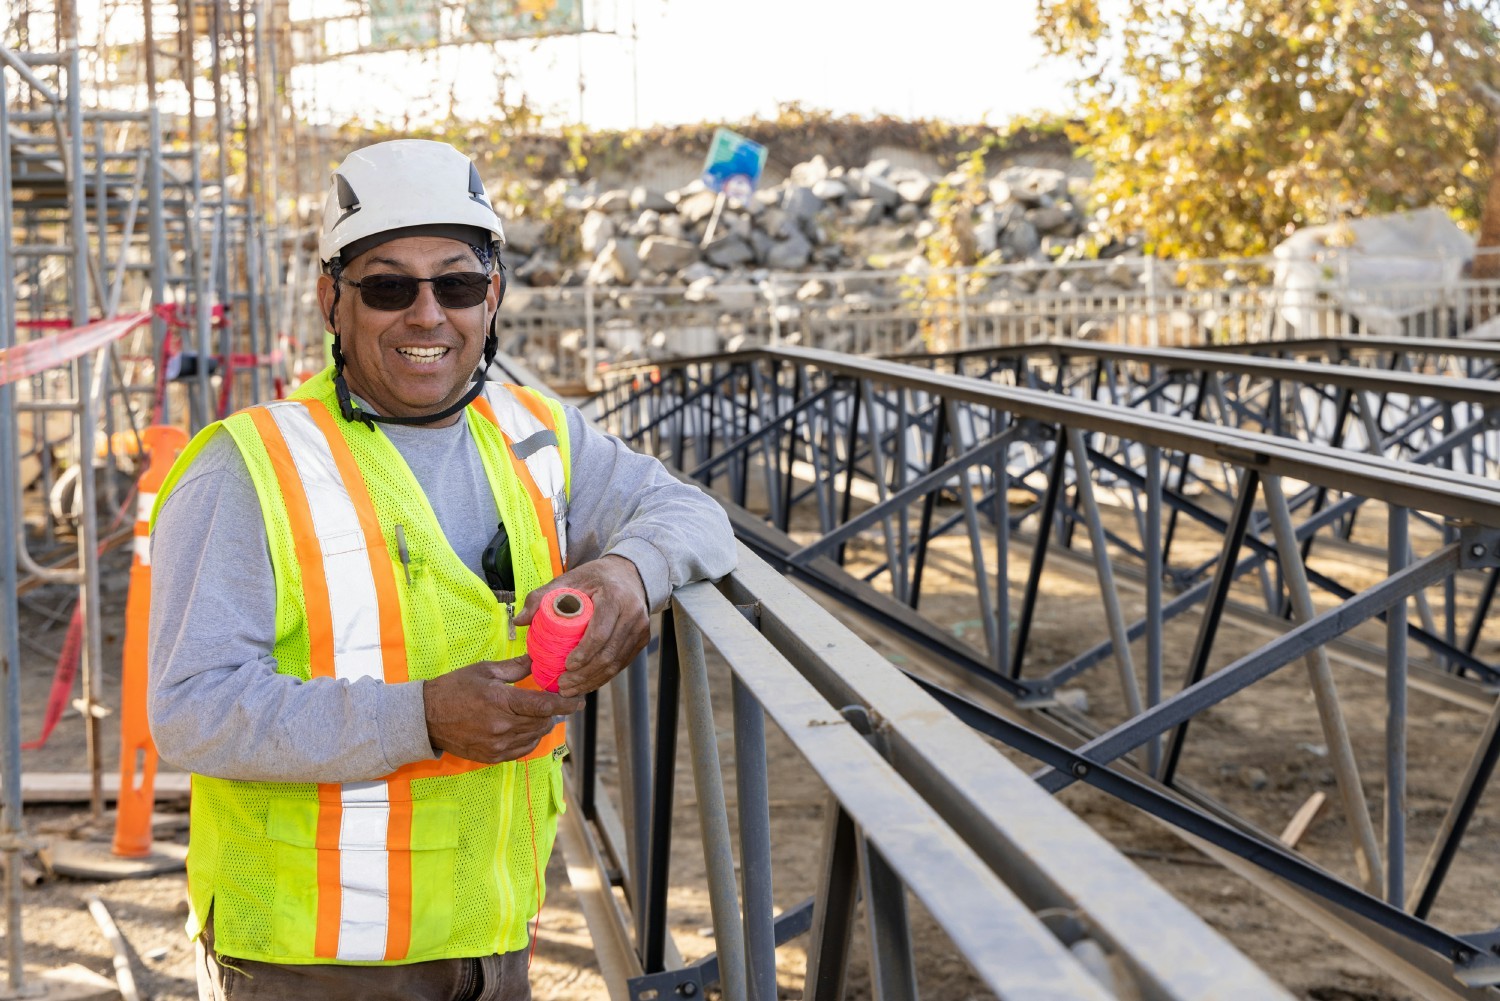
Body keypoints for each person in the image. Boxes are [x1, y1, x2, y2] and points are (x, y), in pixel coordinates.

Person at [146, 139, 737, 1001]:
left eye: (457, 285)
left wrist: (626, 574)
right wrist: (421, 715)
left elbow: (694, 514)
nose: (428, 315)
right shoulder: (250, 466)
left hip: (495, 944)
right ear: (331, 302)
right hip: (310, 968)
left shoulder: (533, 431)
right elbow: (192, 709)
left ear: (491, 296)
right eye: (389, 287)